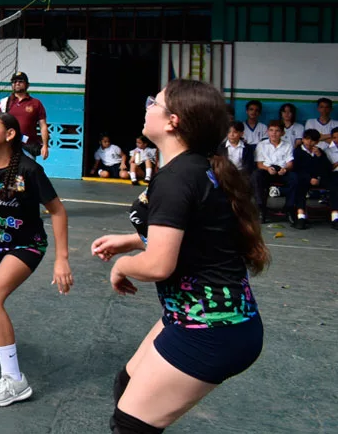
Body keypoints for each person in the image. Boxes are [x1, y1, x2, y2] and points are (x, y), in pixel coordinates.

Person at [91, 81, 268, 434]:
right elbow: (201, 234)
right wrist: (132, 240)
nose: (146, 108)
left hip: (212, 328)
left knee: (130, 424)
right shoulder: (198, 168)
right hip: (204, 317)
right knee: (127, 384)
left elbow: (159, 265)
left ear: (172, 121)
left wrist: (122, 266)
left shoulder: (177, 178)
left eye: (152, 102)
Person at [0, 111, 72, 407]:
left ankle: (14, 381)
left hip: (27, 246)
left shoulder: (30, 171)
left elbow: (58, 211)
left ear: (9, 135)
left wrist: (62, 259)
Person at [0, 72, 49, 159]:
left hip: (28, 148)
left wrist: (45, 146)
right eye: (14, 81)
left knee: (26, 172)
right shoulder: (4, 103)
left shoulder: (36, 103)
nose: (17, 83)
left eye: (20, 81)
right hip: (8, 147)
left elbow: (43, 125)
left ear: (27, 85)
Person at [250, 120, 294, 222]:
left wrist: (285, 169)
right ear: (267, 132)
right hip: (267, 170)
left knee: (294, 178)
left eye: (277, 131)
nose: (274, 133)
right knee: (256, 175)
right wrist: (268, 168)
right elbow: (259, 164)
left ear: (282, 133)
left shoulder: (287, 145)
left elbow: (290, 163)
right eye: (271, 130)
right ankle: (261, 208)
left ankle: (289, 208)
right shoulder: (261, 144)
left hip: (281, 170)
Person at [286, 129, 329, 229]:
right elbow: (297, 169)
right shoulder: (297, 152)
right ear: (303, 139)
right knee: (299, 187)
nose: (309, 142)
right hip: (303, 179)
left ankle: (335, 216)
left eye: (313, 140)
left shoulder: (319, 152)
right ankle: (301, 216)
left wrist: (319, 156)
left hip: (318, 179)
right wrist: (309, 178)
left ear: (317, 142)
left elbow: (327, 168)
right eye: (307, 139)